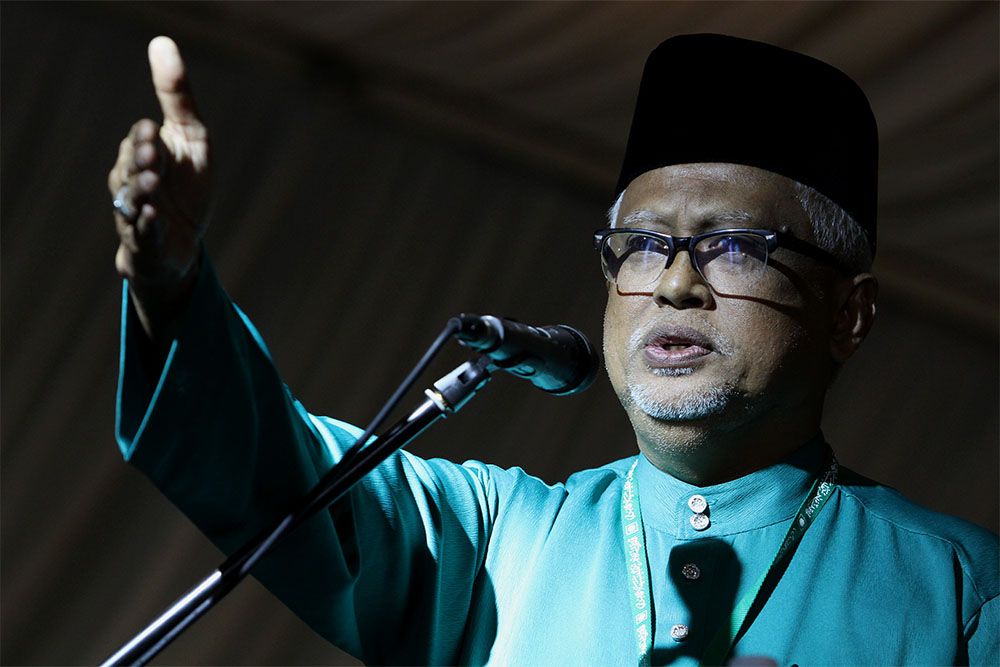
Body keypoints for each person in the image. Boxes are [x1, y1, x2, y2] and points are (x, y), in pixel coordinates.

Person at [109, 34, 998, 665]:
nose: (675, 285)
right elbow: (277, 469)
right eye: (643, 245)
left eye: (735, 247)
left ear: (850, 314)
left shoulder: (962, 594)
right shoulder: (499, 538)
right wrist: (172, 285)